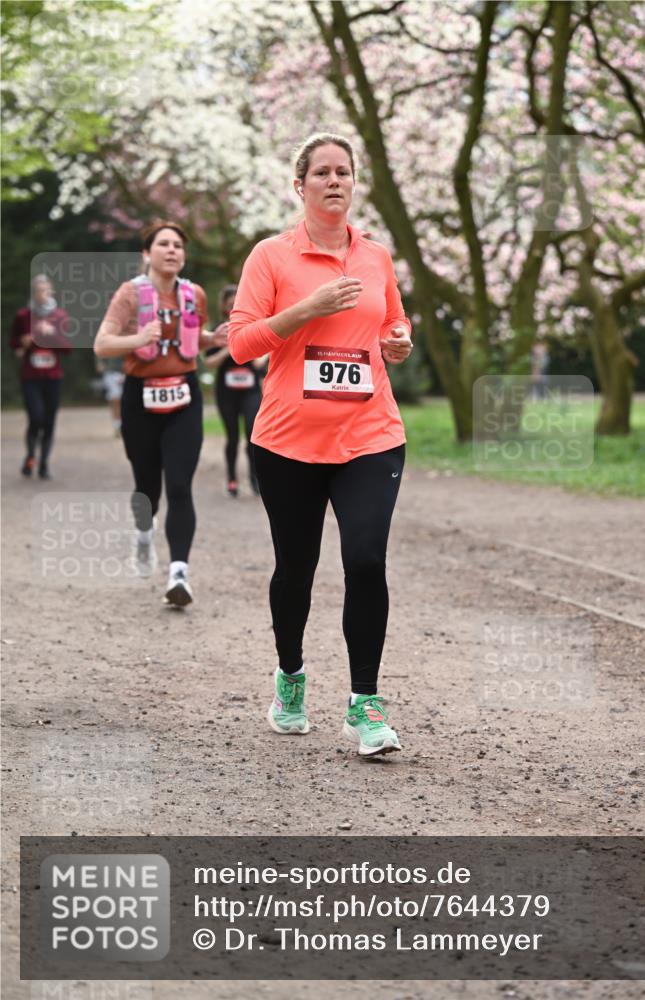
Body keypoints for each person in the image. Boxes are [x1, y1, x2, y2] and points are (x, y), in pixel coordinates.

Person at [228, 132, 413, 756]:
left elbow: (393, 320)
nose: (335, 181)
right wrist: (306, 308)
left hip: (371, 436)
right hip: (288, 442)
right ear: (300, 185)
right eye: (322, 172)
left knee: (364, 560)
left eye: (344, 172)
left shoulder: (376, 256)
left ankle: (365, 704)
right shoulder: (271, 257)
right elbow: (242, 343)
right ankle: (291, 675)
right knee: (296, 569)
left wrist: (398, 341)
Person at [94, 220, 225, 607]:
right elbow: (102, 344)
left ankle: (178, 573)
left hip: (184, 396)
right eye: (163, 244)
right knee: (147, 486)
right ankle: (144, 533)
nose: (171, 251)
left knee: (180, 485)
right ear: (146, 254)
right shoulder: (130, 294)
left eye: (177, 246)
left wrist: (213, 338)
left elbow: (192, 340)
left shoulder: (193, 294)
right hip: (140, 398)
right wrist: (139, 338)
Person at [204, 284, 266, 497]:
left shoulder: (254, 327)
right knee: (232, 437)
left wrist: (247, 345)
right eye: (230, 304)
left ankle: (254, 479)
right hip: (226, 392)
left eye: (236, 303)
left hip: (251, 391)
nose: (233, 308)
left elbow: (260, 362)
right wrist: (227, 349)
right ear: (223, 307)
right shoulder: (218, 330)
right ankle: (232, 479)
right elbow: (209, 363)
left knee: (251, 435)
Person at [10, 274, 71, 479]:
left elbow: (68, 348)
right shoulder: (23, 316)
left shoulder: (60, 316)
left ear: (51, 292)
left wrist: (52, 333)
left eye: (46, 290)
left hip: (53, 377)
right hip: (31, 377)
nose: (42, 294)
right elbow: (13, 343)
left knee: (49, 421)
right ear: (33, 293)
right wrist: (22, 343)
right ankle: (30, 456)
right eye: (38, 291)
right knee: (35, 418)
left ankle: (44, 464)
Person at [97, 356, 125, 436]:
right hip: (111, 373)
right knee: (115, 401)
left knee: (122, 402)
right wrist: (99, 363)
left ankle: (122, 425)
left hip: (125, 372)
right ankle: (117, 426)